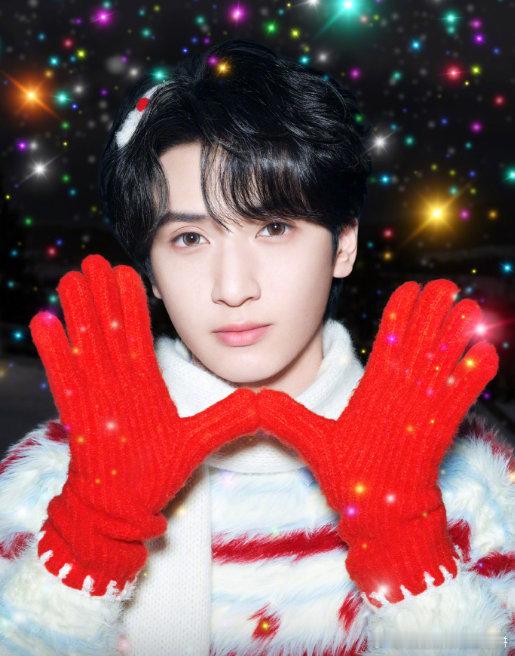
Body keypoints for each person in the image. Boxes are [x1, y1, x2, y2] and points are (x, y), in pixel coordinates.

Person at [0, 38, 513, 656]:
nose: (233, 288)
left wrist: (407, 549)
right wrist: (90, 538)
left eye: (274, 227)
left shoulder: (469, 482)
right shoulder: (53, 478)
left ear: (344, 244)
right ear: (152, 271)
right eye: (190, 239)